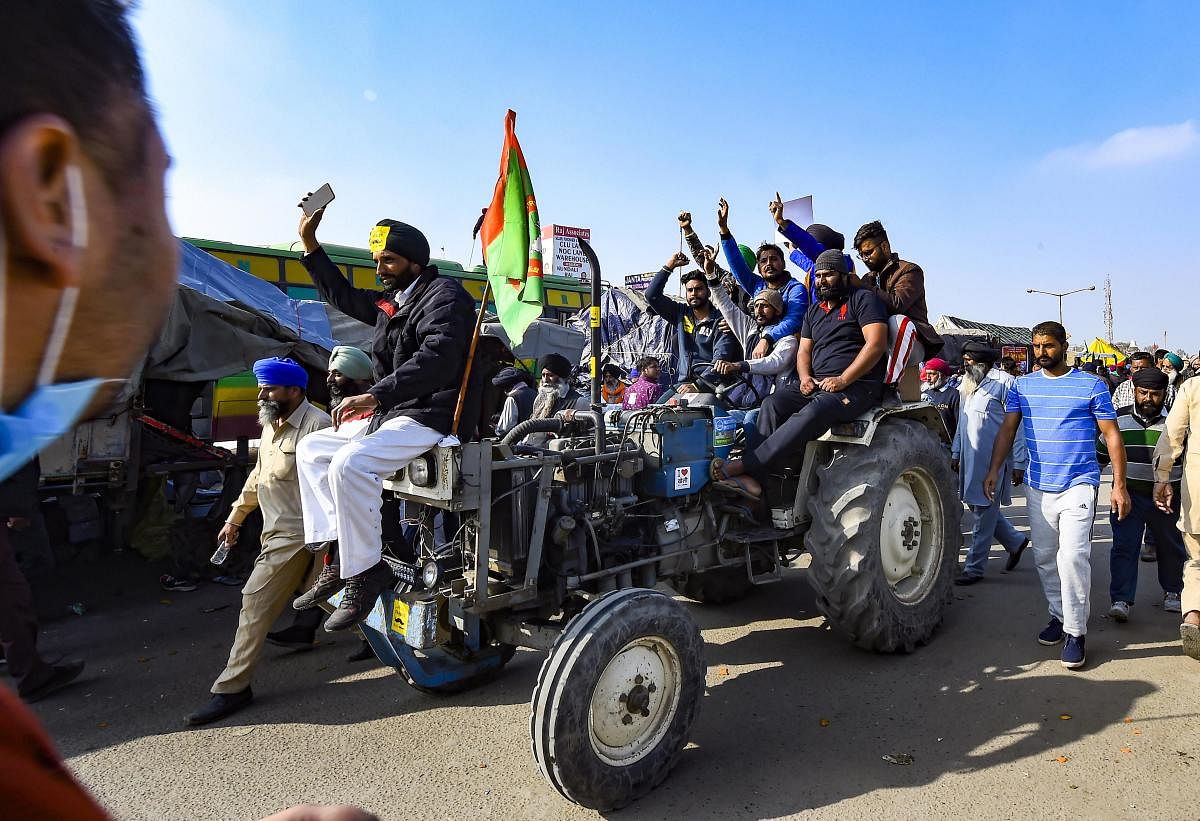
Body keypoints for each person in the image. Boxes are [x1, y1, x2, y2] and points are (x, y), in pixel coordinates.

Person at [292, 208, 477, 631]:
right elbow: (342, 296)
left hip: (429, 414)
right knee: (313, 449)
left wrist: (375, 395)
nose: (380, 269)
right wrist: (310, 245)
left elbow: (438, 358)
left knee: (350, 463)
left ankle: (366, 570)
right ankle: (341, 556)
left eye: (388, 261)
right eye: (377, 260)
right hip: (395, 412)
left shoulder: (443, 296)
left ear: (414, 262)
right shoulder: (394, 302)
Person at [185, 359, 332, 726]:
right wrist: (236, 517)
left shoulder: (319, 426)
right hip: (276, 530)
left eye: (270, 388)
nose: (261, 394)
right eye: (262, 387)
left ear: (295, 391)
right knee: (333, 598)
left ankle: (232, 688)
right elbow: (260, 475)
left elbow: (333, 488)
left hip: (300, 535)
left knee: (254, 601)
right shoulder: (271, 422)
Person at [984, 321, 1130, 670]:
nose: (1041, 352)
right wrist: (994, 469)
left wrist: (1119, 485)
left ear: (1065, 345)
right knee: (1046, 558)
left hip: (1079, 484)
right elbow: (1008, 429)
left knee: (1072, 558)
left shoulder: (1092, 385)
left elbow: (1111, 436)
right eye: (1036, 346)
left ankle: (1076, 633)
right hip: (1038, 485)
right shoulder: (1022, 386)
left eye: (1048, 346)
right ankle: (1059, 615)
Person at [713, 250, 888, 494]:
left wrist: (843, 379)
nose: (822, 281)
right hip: (817, 383)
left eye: (829, 275)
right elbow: (804, 351)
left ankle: (746, 467)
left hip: (857, 385)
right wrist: (805, 378)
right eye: (819, 276)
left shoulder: (862, 300)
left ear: (844, 276)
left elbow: (876, 344)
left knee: (814, 410)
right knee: (773, 404)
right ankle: (764, 490)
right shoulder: (814, 311)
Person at [1099, 367, 1187, 624]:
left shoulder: (1176, 423)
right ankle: (1121, 599)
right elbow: (1100, 455)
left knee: (1171, 546)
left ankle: (1173, 591)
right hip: (1129, 496)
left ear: (1164, 394)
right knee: (1124, 546)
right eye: (1143, 393)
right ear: (1134, 391)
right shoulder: (1118, 421)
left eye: (1155, 394)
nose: (1148, 398)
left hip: (1168, 497)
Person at [952, 341, 1029, 584]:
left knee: (983, 513)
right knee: (978, 508)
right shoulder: (966, 384)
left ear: (981, 362)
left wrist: (1019, 462)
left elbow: (1017, 427)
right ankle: (1015, 542)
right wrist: (955, 452)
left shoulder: (1006, 383)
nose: (966, 365)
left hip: (992, 462)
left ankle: (974, 568)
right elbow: (962, 424)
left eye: (969, 361)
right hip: (968, 458)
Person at [850, 221, 943, 397]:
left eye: (868, 252)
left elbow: (897, 304)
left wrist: (863, 287)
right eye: (861, 255)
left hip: (913, 344)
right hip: (881, 342)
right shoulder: (867, 279)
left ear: (884, 246)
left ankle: (891, 386)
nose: (865, 259)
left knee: (897, 321)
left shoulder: (909, 271)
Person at [717, 197, 809, 359]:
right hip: (755, 348)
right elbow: (736, 264)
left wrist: (767, 338)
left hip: (786, 352)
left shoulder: (796, 289)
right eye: (763, 261)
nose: (769, 264)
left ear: (783, 263)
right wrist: (724, 230)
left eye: (774, 259)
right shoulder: (756, 285)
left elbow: (793, 319)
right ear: (758, 268)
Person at [702, 247, 797, 404]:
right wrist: (710, 273)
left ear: (778, 310)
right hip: (741, 395)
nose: (758, 311)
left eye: (765, 306)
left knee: (749, 419)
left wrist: (739, 365)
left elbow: (773, 363)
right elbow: (726, 306)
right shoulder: (751, 329)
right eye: (756, 306)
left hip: (767, 401)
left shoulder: (787, 340)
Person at [1152, 370, 1200, 661]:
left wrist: (1162, 478)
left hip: (1198, 494)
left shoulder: (1193, 387)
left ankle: (1193, 616)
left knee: (1196, 559)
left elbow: (1172, 437)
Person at [645, 251, 736, 386]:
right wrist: (670, 266)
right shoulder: (680, 313)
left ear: (708, 291)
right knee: (658, 407)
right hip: (683, 384)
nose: (694, 294)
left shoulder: (721, 321)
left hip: (712, 385)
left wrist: (698, 385)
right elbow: (651, 295)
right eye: (690, 290)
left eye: (698, 289)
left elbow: (720, 360)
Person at [530, 353, 587, 418]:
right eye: (543, 375)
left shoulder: (579, 402)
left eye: (550, 375)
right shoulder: (539, 399)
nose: (545, 380)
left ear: (563, 378)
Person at [921, 357, 960, 440]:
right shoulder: (926, 393)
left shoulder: (954, 395)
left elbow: (959, 425)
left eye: (932, 374)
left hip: (948, 445)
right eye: (927, 374)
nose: (928, 378)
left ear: (942, 375)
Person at [492, 366, 537, 436]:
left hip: (518, 443)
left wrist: (496, 429)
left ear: (508, 386)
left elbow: (505, 428)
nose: (504, 392)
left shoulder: (512, 398)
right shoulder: (534, 393)